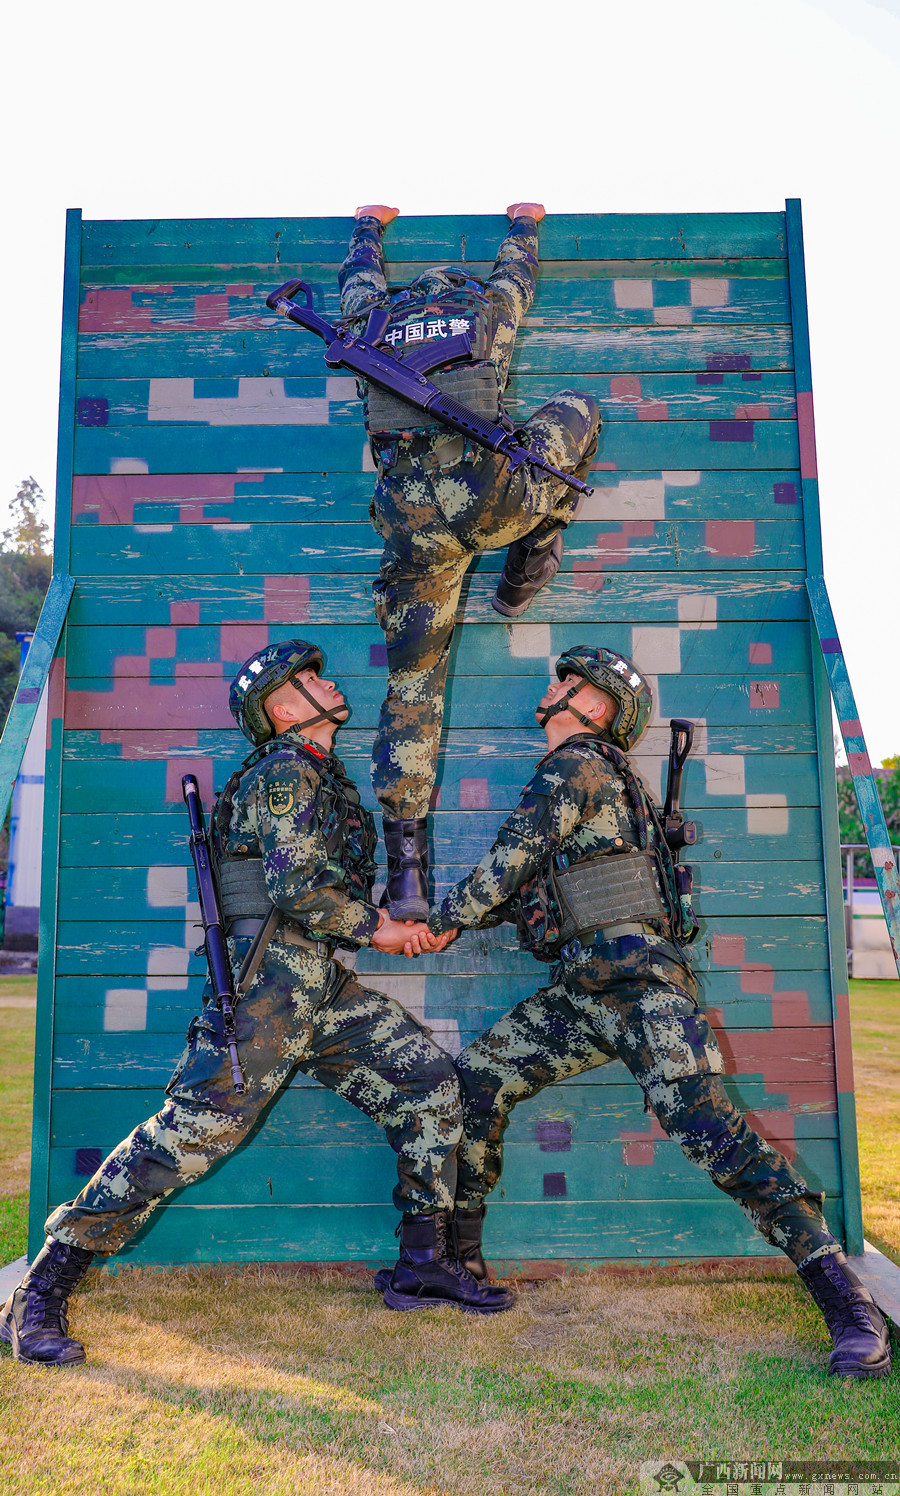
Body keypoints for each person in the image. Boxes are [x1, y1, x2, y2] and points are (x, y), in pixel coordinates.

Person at [1, 641, 512, 1368]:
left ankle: (423, 1263)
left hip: (313, 980)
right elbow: (298, 885)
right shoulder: (287, 770)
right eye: (310, 680)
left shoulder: (313, 774)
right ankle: (40, 1290)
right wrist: (384, 931)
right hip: (268, 981)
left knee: (426, 1081)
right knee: (191, 1134)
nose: (328, 683)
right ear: (282, 709)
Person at [420, 645, 892, 1380]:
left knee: (719, 1140)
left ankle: (849, 1306)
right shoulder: (597, 777)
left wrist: (438, 923)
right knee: (477, 1081)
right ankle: (463, 1262)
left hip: (642, 990)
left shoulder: (575, 764)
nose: (550, 689)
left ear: (594, 706)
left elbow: (505, 864)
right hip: (583, 991)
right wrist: (449, 921)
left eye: (565, 681)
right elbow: (526, 892)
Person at [338, 202, 601, 920]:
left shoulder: (372, 324)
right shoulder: (484, 314)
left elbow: (355, 282)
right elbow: (517, 275)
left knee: (413, 687)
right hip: (492, 496)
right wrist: (523, 224)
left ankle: (408, 876)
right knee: (577, 409)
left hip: (412, 524)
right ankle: (525, 573)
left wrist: (368, 227)